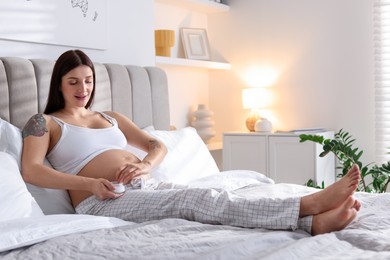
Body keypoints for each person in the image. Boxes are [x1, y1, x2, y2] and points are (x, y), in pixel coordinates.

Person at [21, 49, 361, 236]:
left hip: (145, 186)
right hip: (102, 200)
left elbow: (158, 146)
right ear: (59, 84)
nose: (83, 89)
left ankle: (311, 223)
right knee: (200, 199)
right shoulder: (44, 122)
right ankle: (306, 206)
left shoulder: (111, 116)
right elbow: (32, 170)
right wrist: (90, 184)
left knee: (209, 200)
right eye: (73, 82)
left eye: (88, 81)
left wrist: (144, 165)